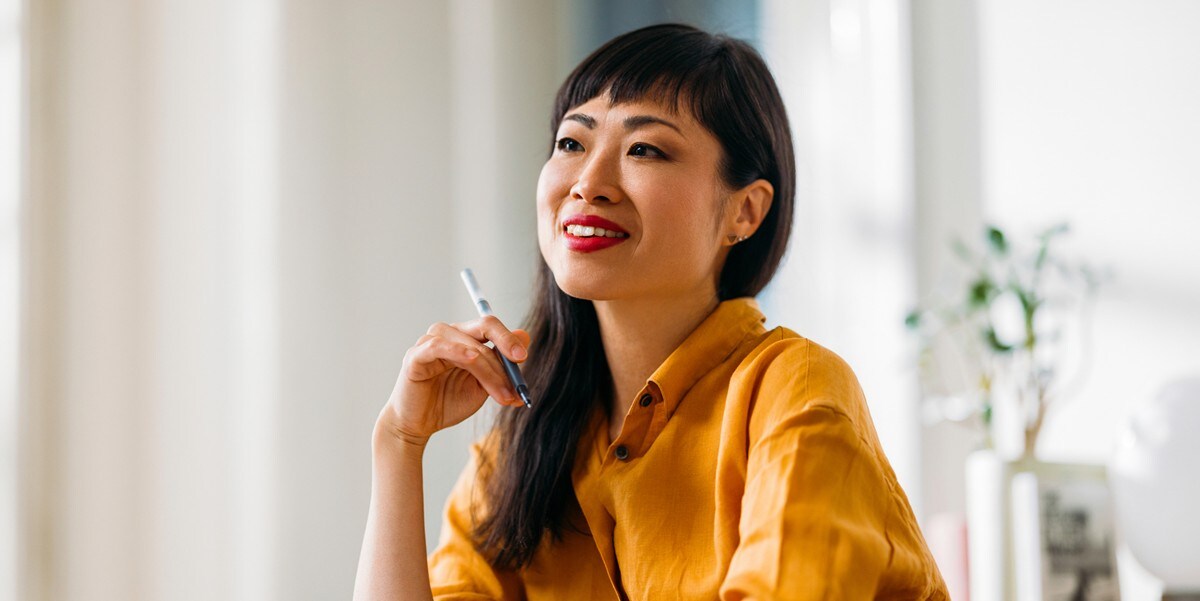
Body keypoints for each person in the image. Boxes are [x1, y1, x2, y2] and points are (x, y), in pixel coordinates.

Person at [354, 23, 949, 600]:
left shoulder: (793, 389)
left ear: (744, 211)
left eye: (644, 149)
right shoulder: (522, 446)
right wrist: (400, 440)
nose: (588, 183)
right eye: (572, 143)